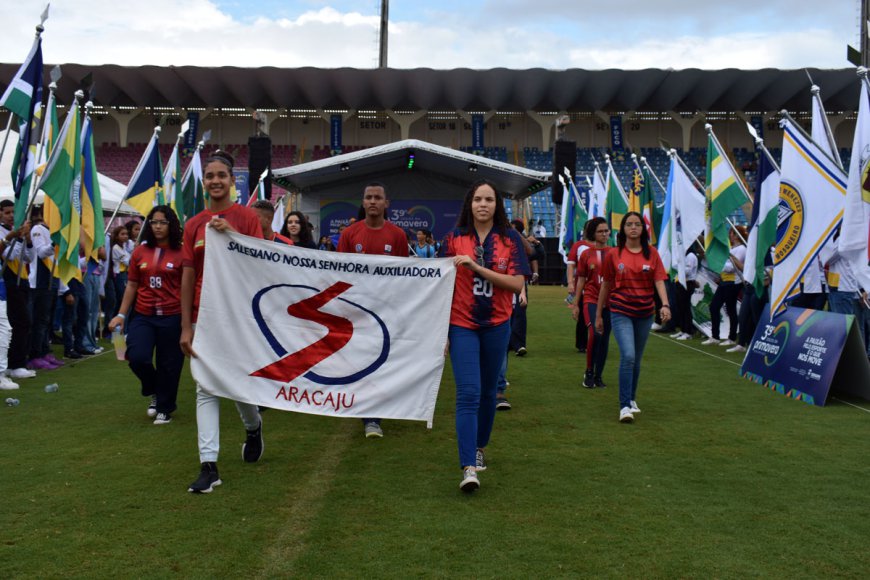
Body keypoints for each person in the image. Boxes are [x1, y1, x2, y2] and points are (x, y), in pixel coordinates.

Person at [179, 150, 265, 494]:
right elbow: (187, 275)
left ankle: (253, 426)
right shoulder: (192, 224)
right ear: (205, 182)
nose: (215, 181)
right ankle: (209, 465)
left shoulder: (246, 218)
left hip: (237, 313)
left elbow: (261, 264)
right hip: (203, 314)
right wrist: (186, 325)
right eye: (210, 176)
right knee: (205, 386)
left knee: (236, 383)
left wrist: (232, 235)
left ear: (232, 181)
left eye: (221, 175)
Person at [440, 180, 530, 492]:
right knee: (468, 392)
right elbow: (437, 284)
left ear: (497, 205)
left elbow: (517, 284)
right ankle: (468, 467)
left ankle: (480, 446)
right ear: (470, 203)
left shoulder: (510, 239)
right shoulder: (453, 239)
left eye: (489, 199)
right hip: (461, 323)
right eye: (478, 199)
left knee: (490, 392)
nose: (483, 204)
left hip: (497, 324)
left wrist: (476, 268)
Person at [337, 182, 409, 439]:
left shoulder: (398, 235)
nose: (373, 201)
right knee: (359, 360)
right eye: (369, 197)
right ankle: (364, 410)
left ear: (386, 203)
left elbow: (404, 274)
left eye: (378, 197)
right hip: (356, 309)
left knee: (380, 361)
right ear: (363, 201)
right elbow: (339, 271)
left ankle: (373, 416)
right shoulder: (349, 234)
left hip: (386, 309)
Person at [109, 206, 185, 425]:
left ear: (171, 225)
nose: (157, 226)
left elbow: (188, 286)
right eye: (153, 222)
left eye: (162, 222)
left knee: (169, 364)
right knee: (137, 356)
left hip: (173, 316)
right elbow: (132, 285)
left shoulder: (182, 252)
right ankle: (153, 390)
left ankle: (165, 407)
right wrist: (121, 315)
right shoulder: (140, 251)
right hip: (143, 315)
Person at [596, 212, 670, 423]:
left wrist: (665, 304)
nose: (633, 227)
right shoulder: (614, 254)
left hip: (645, 312)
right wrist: (599, 313)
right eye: (629, 224)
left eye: (637, 224)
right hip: (620, 311)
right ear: (623, 229)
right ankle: (624, 406)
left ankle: (632, 398)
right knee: (628, 355)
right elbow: (606, 284)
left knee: (636, 359)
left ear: (643, 229)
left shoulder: (652, 253)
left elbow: (659, 281)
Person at [572, 217, 611, 389]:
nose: (604, 234)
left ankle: (598, 375)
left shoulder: (614, 253)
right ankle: (589, 371)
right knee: (596, 334)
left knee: (605, 339)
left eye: (606, 230)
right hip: (591, 299)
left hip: (610, 303)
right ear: (593, 234)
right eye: (600, 231)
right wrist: (575, 303)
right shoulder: (586, 254)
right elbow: (581, 280)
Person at [0, 199, 36, 380]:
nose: (11, 216)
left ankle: (16, 362)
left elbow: (29, 257)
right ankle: (15, 364)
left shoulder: (18, 233)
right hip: (8, 280)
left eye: (13, 212)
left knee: (22, 322)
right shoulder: (3, 232)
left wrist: (27, 238)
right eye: (7, 212)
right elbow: (10, 255)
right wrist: (14, 237)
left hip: (22, 280)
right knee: (20, 322)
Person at [27, 206, 64, 370]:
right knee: (39, 320)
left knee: (47, 319)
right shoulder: (38, 229)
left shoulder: (53, 231)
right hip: (40, 281)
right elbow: (41, 252)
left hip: (52, 278)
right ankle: (36, 354)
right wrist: (54, 244)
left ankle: (44, 351)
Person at [702, 227, 746, 347]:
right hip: (724, 281)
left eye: (732, 233)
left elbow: (732, 267)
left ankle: (731, 337)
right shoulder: (732, 248)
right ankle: (715, 336)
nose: (730, 235)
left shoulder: (741, 249)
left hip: (733, 282)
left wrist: (718, 264)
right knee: (715, 307)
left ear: (737, 235)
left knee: (729, 309)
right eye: (730, 233)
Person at [670, 244, 699, 341]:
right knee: (680, 307)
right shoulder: (684, 255)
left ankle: (688, 332)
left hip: (688, 283)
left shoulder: (691, 256)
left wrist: (678, 266)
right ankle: (683, 330)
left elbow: (688, 271)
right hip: (680, 282)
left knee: (686, 307)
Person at [110, 226, 131, 320]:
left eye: (126, 234)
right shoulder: (116, 247)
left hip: (124, 274)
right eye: (122, 234)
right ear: (117, 236)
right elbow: (127, 261)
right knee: (123, 299)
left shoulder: (124, 247)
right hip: (119, 275)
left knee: (121, 300)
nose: (125, 236)